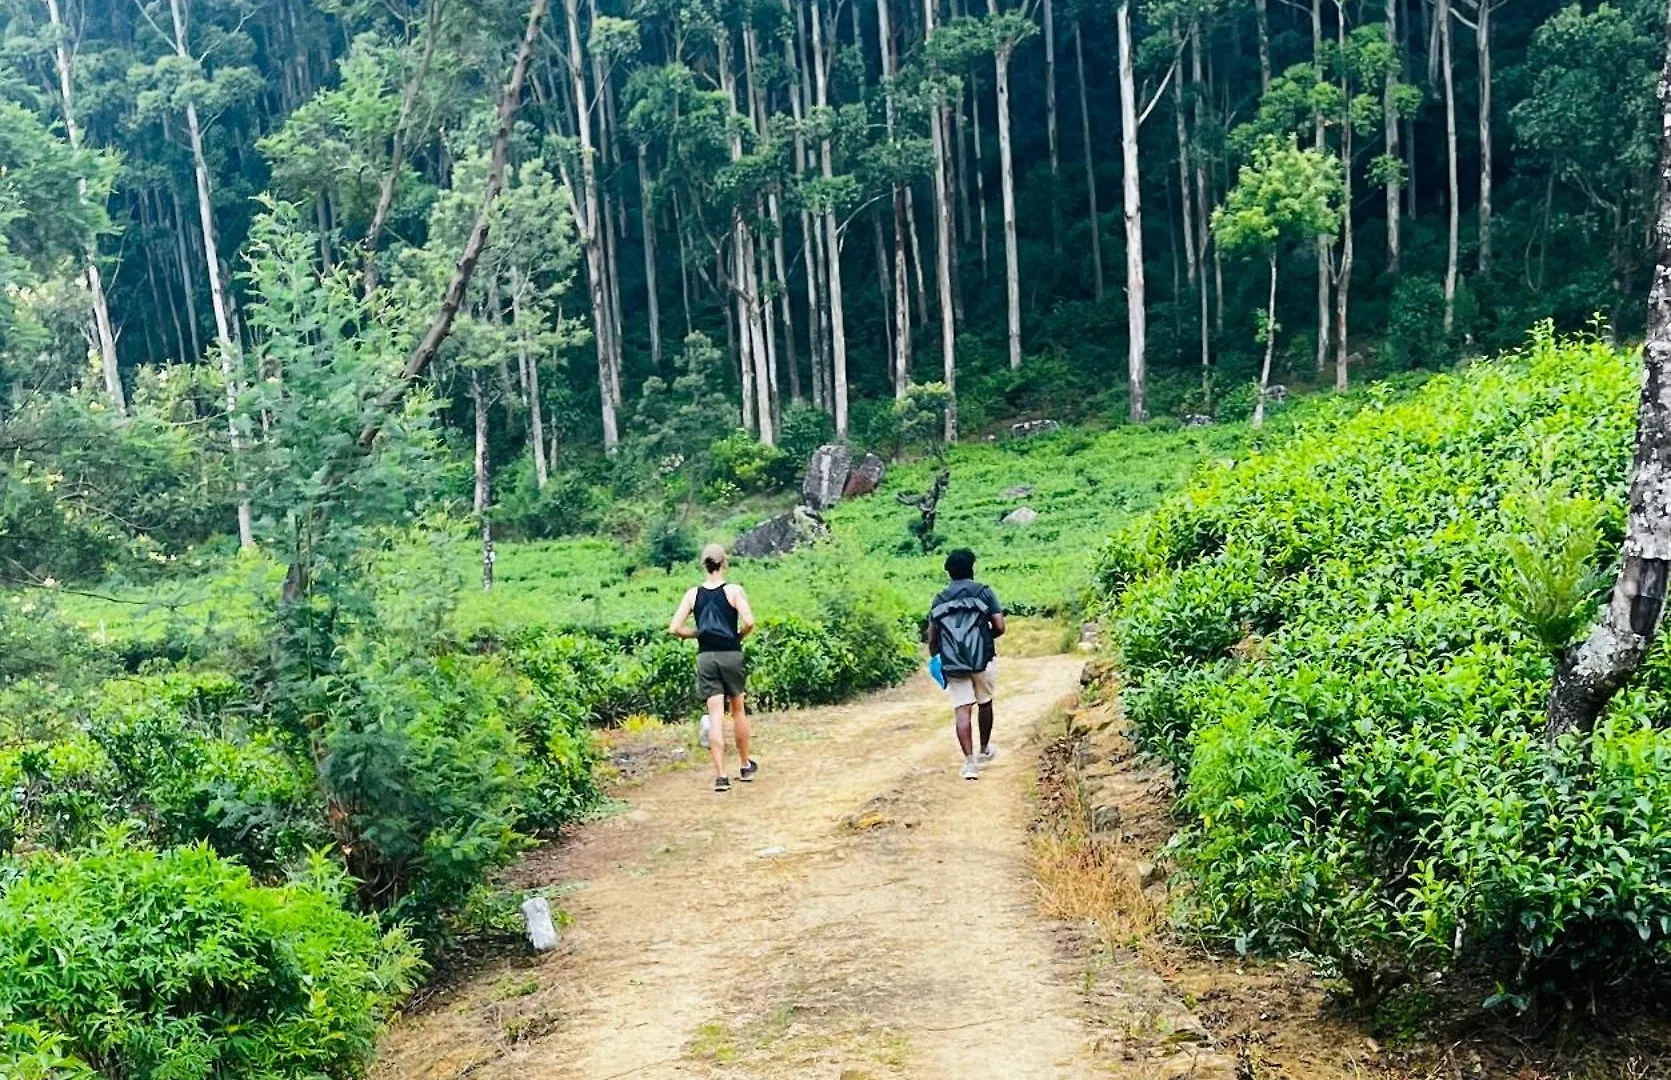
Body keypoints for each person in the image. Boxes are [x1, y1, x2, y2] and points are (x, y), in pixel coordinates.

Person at [668, 544, 758, 792]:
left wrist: (695, 634)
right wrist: (738, 635)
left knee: (715, 715)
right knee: (738, 710)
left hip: (706, 656)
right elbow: (750, 621)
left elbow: (674, 628)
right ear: (724, 564)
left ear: (703, 565)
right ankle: (744, 765)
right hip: (731, 654)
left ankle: (721, 776)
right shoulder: (734, 591)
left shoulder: (692, 594)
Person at [927, 548, 1006, 780]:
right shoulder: (984, 593)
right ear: (972, 568)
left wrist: (938, 657)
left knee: (962, 710)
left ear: (949, 573)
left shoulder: (939, 599)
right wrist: (983, 640)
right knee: (985, 703)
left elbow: (932, 637)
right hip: (983, 659)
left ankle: (970, 764)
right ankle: (984, 749)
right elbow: (1000, 626)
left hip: (953, 663)